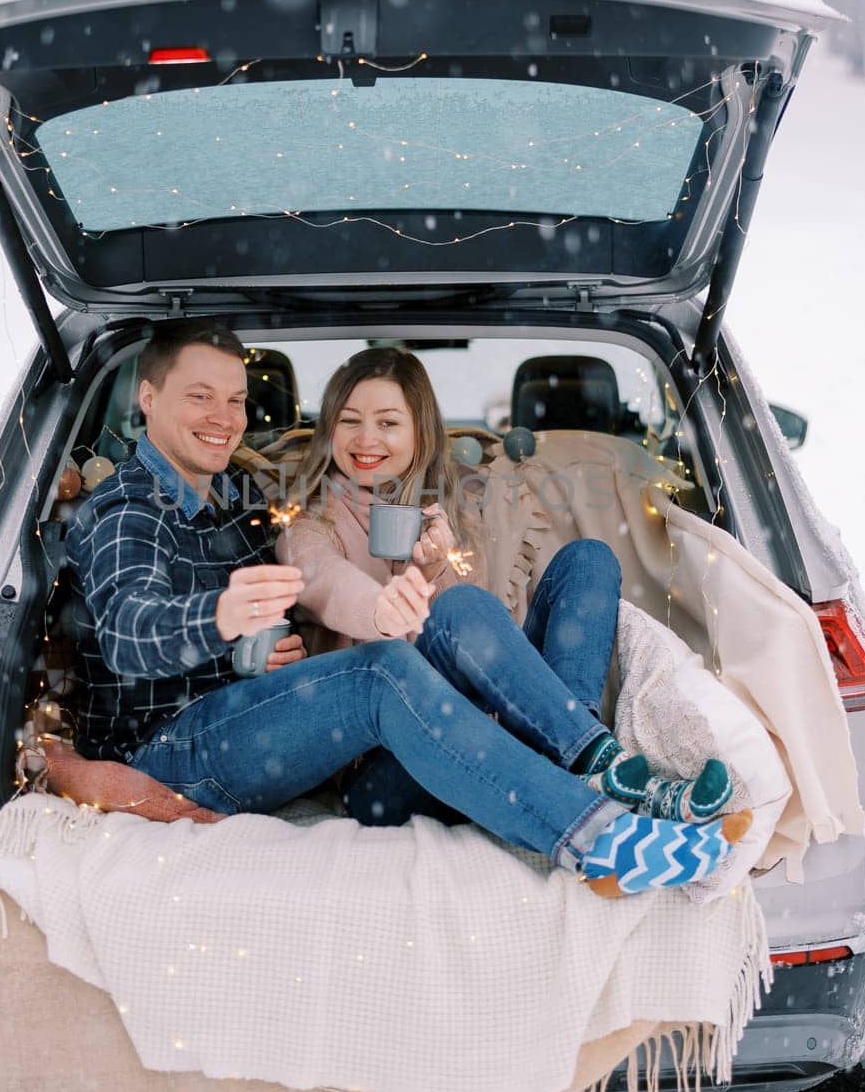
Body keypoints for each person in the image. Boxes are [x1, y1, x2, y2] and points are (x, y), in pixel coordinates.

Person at [54, 318, 746, 898]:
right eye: (200, 396)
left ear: (420, 431)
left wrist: (253, 647)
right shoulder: (127, 511)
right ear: (146, 397)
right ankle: (600, 833)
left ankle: (585, 765)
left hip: (247, 720)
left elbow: (428, 634)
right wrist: (222, 618)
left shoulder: (231, 501)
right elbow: (128, 630)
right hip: (171, 750)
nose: (224, 418)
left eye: (236, 401)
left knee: (580, 563)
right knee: (382, 667)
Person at [280, 347, 732, 827]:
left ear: (419, 434)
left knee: (589, 558)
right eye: (350, 421)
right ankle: (593, 759)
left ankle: (580, 759)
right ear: (330, 430)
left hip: (480, 743)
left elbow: (483, 653)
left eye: (388, 423)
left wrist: (437, 566)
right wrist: (396, 599)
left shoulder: (451, 515)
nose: (367, 438)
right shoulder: (305, 526)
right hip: (384, 767)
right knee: (459, 608)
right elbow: (330, 587)